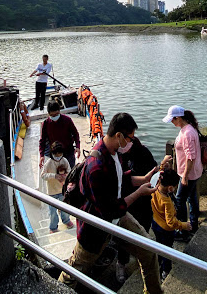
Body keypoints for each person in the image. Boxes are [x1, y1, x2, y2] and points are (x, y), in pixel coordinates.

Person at [58, 113, 164, 294]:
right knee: (74, 271)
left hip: (118, 218)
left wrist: (143, 179)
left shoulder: (114, 153)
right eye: (130, 138)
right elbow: (110, 210)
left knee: (149, 251)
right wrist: (139, 193)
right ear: (119, 135)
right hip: (96, 227)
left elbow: (120, 179)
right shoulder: (96, 166)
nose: (132, 142)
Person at [115, 136, 157, 283]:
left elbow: (152, 173)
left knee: (144, 229)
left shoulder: (143, 152)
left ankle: (141, 258)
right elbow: (120, 180)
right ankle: (121, 263)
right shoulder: (117, 156)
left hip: (144, 200)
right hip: (127, 201)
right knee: (124, 235)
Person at [163, 105, 203, 239]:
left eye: (173, 120)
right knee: (192, 199)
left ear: (178, 118)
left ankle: (183, 231)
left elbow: (190, 157)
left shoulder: (187, 134)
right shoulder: (189, 129)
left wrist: (185, 176)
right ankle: (193, 225)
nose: (172, 123)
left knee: (180, 200)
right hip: (194, 172)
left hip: (189, 174)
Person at [151, 168, 192, 281]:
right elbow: (171, 222)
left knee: (159, 245)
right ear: (170, 188)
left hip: (155, 223)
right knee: (167, 250)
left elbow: (160, 173)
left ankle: (157, 263)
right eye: (174, 186)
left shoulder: (155, 187)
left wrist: (163, 165)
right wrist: (183, 225)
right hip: (166, 230)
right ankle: (166, 270)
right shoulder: (167, 202)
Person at [41, 142, 75, 233]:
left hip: (62, 190)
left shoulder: (64, 161)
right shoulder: (48, 163)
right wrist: (54, 176)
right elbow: (43, 175)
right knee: (52, 212)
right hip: (52, 192)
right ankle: (53, 227)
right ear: (52, 154)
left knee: (65, 208)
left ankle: (66, 220)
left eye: (60, 154)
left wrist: (65, 176)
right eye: (56, 155)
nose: (58, 156)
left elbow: (70, 172)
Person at [39, 100, 80, 168]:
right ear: (48, 114)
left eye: (56, 114)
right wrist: (41, 155)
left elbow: (75, 134)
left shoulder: (67, 120)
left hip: (68, 151)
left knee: (70, 170)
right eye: (52, 115)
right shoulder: (45, 124)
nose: (55, 117)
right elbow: (42, 140)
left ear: (59, 111)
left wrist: (78, 147)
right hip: (55, 153)